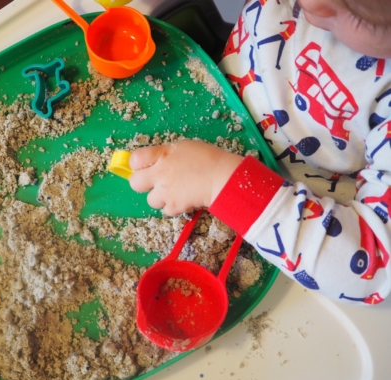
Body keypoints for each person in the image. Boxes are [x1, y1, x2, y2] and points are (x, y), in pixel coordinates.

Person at [128, 0, 391, 304]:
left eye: (357, 17)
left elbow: (373, 269)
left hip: (283, 198)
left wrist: (217, 180)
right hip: (215, 95)